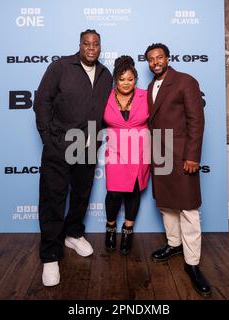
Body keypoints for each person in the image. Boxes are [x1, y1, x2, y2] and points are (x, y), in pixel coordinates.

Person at [33, 29, 112, 286]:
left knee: (81, 194)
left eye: (96, 44)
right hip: (60, 143)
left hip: (88, 142)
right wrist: (48, 137)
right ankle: (50, 255)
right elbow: (42, 100)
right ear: (79, 45)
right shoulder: (60, 67)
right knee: (53, 198)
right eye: (87, 43)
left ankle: (74, 233)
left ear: (100, 47)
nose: (91, 48)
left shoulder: (105, 74)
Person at [144, 43, 211, 297]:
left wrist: (193, 156)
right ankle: (174, 244)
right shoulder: (150, 87)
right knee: (166, 204)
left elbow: (196, 120)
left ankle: (192, 263)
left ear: (167, 58)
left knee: (188, 208)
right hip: (160, 155)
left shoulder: (185, 81)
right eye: (151, 59)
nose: (155, 62)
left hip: (182, 156)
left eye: (159, 57)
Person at [103, 56, 150, 255]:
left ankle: (128, 229)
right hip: (115, 151)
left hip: (140, 150)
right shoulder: (105, 96)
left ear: (135, 80)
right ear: (115, 79)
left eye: (130, 79)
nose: (126, 83)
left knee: (134, 190)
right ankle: (111, 227)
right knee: (114, 192)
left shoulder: (145, 96)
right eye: (122, 79)